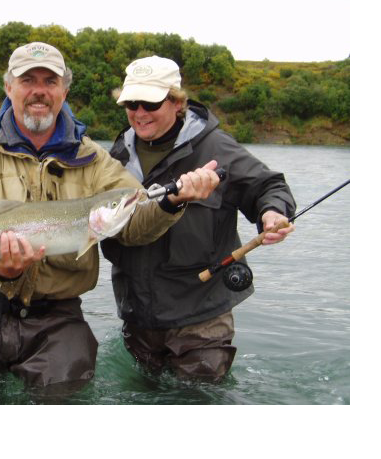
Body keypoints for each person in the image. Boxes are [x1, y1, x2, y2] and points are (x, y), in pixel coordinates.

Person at [0, 43, 220, 392]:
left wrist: (171, 202)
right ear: (9, 88)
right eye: (28, 80)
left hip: (57, 316)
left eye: (50, 81)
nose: (39, 90)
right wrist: (2, 269)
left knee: (65, 388)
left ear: (64, 91)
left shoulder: (96, 159)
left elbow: (135, 220)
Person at [100, 55, 297, 382]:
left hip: (202, 318)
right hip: (137, 316)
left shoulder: (215, 145)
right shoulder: (116, 155)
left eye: (150, 102)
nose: (139, 113)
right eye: (131, 103)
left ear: (177, 102)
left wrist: (273, 212)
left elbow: (268, 185)